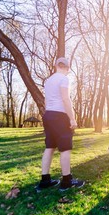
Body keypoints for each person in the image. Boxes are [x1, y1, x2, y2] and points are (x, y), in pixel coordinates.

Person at [36, 57, 85, 192]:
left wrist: (48, 114)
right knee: (65, 148)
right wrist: (72, 118)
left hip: (49, 115)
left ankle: (45, 180)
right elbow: (65, 98)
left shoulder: (49, 80)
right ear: (68, 68)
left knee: (50, 147)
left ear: (56, 66)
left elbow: (46, 101)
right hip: (60, 116)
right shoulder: (64, 79)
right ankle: (66, 181)